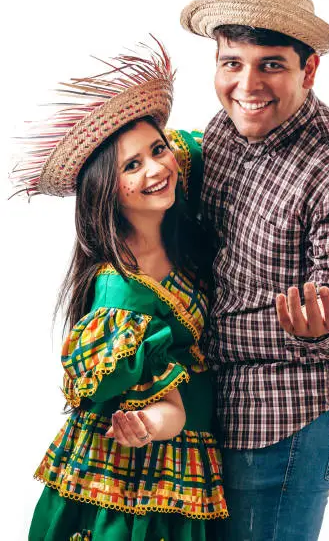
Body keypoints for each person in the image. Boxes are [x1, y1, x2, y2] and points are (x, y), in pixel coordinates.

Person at [180, 0, 329, 540]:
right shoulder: (224, 130)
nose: (247, 85)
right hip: (219, 404)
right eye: (233, 62)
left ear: (309, 70)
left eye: (271, 65)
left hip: (289, 416)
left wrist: (327, 324)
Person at [13, 40, 228, 540]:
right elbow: (171, 410)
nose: (156, 169)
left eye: (157, 151)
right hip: (140, 480)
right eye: (132, 167)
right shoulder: (123, 295)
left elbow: (196, 146)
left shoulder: (178, 199)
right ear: (106, 188)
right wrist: (147, 423)